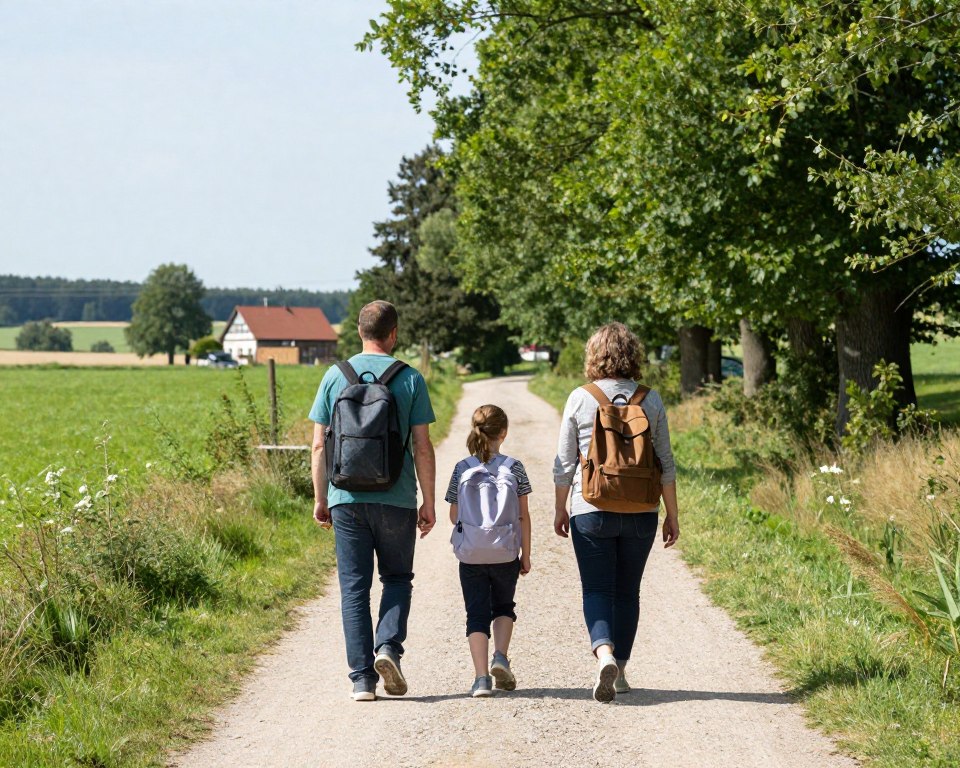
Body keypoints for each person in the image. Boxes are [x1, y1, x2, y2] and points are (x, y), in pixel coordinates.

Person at [309, 300, 437, 702]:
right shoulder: (410, 377)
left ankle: (362, 681)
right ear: (394, 333)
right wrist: (428, 502)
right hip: (396, 498)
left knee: (353, 588)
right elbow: (422, 446)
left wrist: (321, 499)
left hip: (345, 497)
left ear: (359, 332)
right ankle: (388, 649)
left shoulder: (335, 376)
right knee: (397, 578)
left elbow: (317, 446)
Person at [553, 322, 679, 702]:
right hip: (641, 508)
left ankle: (603, 652)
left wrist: (560, 508)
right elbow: (666, 463)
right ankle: (620, 670)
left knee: (596, 588)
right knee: (627, 591)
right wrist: (672, 514)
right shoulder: (650, 399)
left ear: (594, 355)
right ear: (633, 355)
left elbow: (563, 463)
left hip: (590, 507)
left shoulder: (580, 397)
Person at [445, 405, 532, 698]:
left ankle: (481, 679)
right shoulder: (515, 466)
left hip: (470, 554)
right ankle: (501, 657)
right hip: (506, 553)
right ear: (503, 433)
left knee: (476, 614)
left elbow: (453, 514)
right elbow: (524, 516)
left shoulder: (462, 468)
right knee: (504, 607)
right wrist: (526, 555)